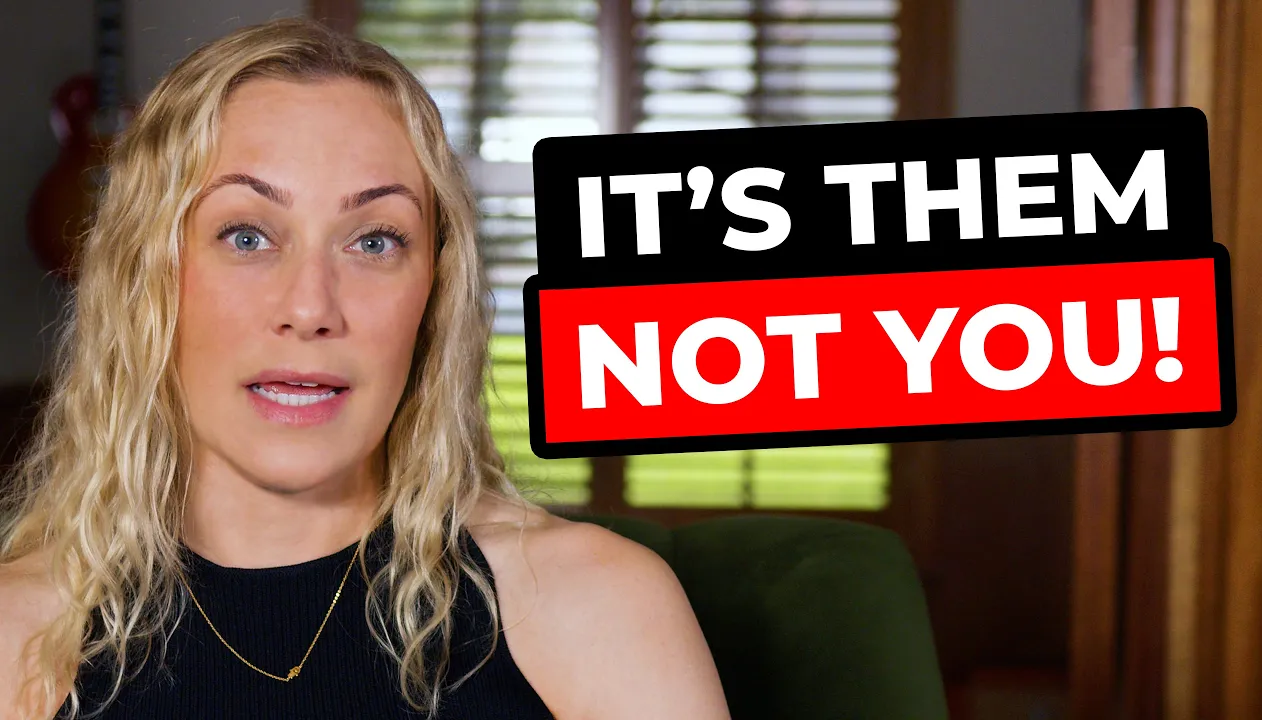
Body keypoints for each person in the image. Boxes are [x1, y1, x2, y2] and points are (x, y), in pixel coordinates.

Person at [0, 17, 732, 720]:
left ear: (434, 294)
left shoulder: (597, 607)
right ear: (148, 280)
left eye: (374, 242)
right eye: (247, 235)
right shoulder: (17, 638)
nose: (310, 307)